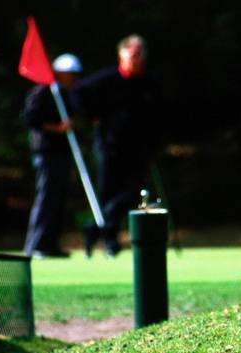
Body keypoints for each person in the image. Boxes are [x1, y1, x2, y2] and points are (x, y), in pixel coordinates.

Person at [75, 34, 163, 257]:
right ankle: (109, 240)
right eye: (132, 54)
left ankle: (94, 229)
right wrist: (91, 116)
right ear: (121, 54)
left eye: (139, 54)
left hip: (138, 148)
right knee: (108, 193)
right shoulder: (106, 79)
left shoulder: (149, 82)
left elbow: (159, 113)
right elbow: (78, 93)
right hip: (109, 146)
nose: (136, 58)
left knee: (133, 192)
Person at [21, 53, 83, 258]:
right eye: (70, 74)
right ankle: (36, 245)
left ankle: (50, 245)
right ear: (59, 73)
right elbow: (29, 119)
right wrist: (57, 128)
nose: (73, 78)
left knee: (59, 199)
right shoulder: (43, 92)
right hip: (46, 153)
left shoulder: (68, 95)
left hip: (62, 153)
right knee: (46, 198)